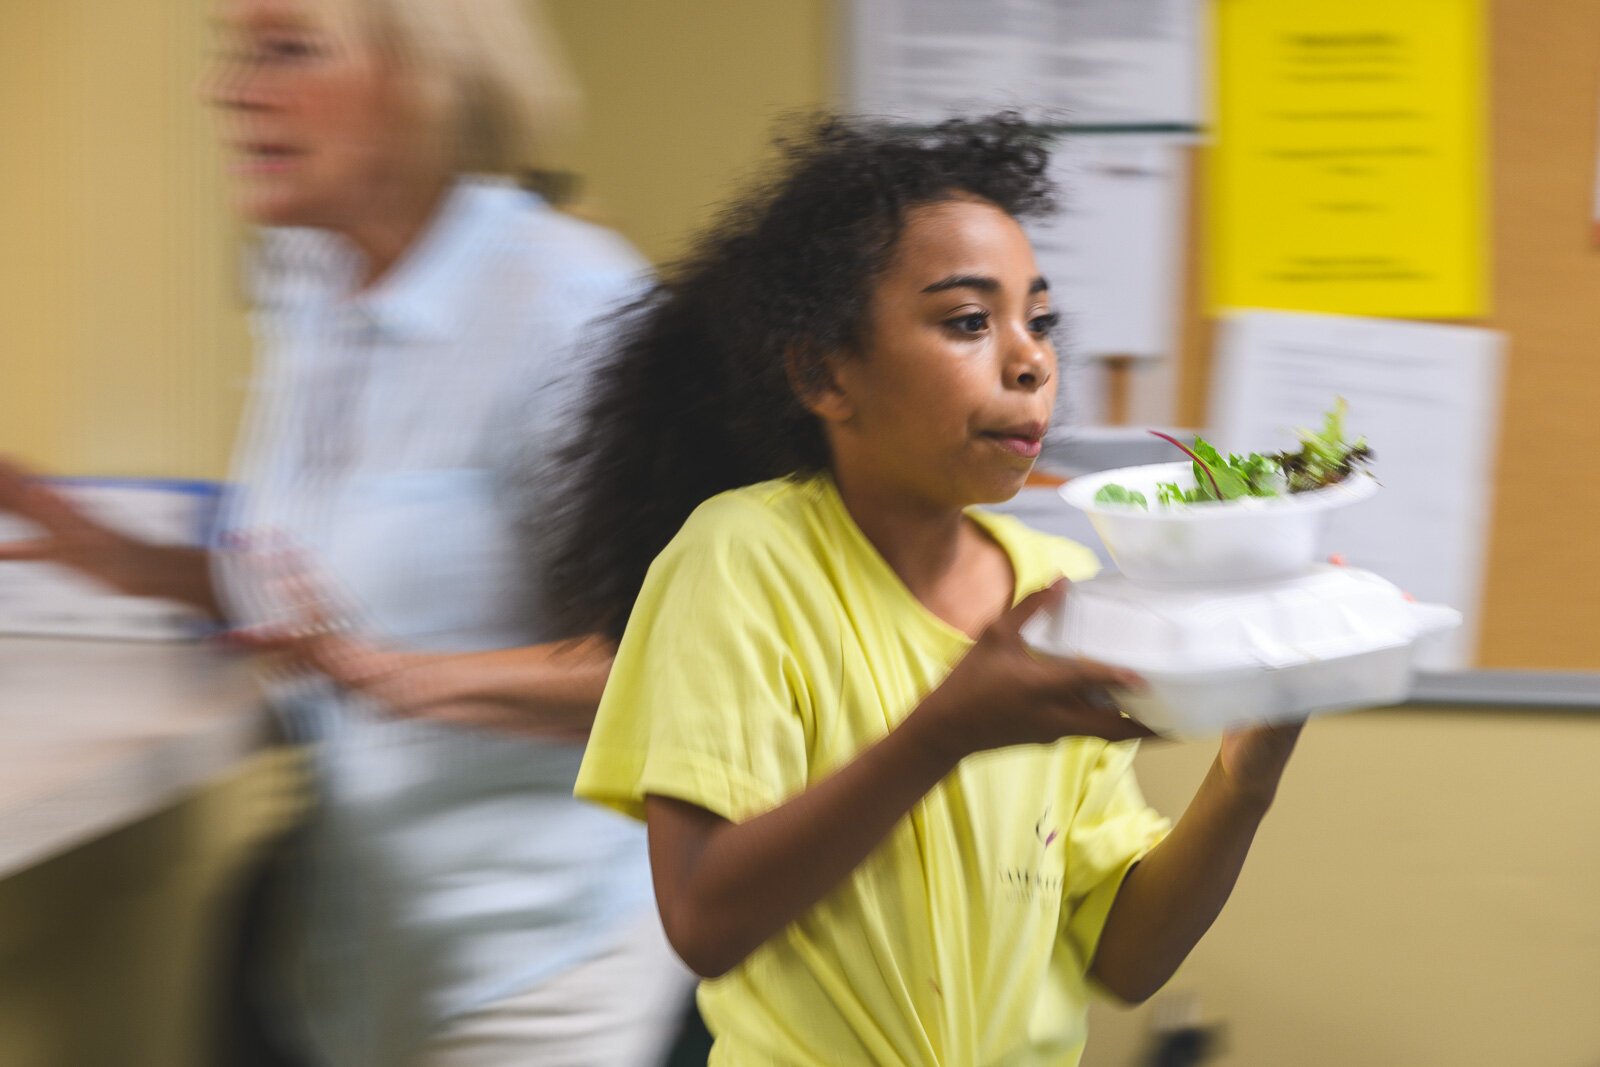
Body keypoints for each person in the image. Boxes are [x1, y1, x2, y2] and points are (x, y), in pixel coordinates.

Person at [0, 0, 690, 1063]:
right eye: (231, 51)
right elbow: (318, 581)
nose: (223, 89)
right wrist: (109, 552)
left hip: (538, 969)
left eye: (284, 48)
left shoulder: (570, 308)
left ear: (422, 76)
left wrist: (402, 679)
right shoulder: (312, 281)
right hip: (355, 959)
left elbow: (682, 674)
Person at [558, 114, 1303, 1066]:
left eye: (1039, 320)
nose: (1030, 359)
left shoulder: (1058, 588)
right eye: (966, 321)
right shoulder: (742, 560)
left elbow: (1121, 955)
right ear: (825, 372)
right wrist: (944, 729)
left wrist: (1248, 773)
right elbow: (704, 918)